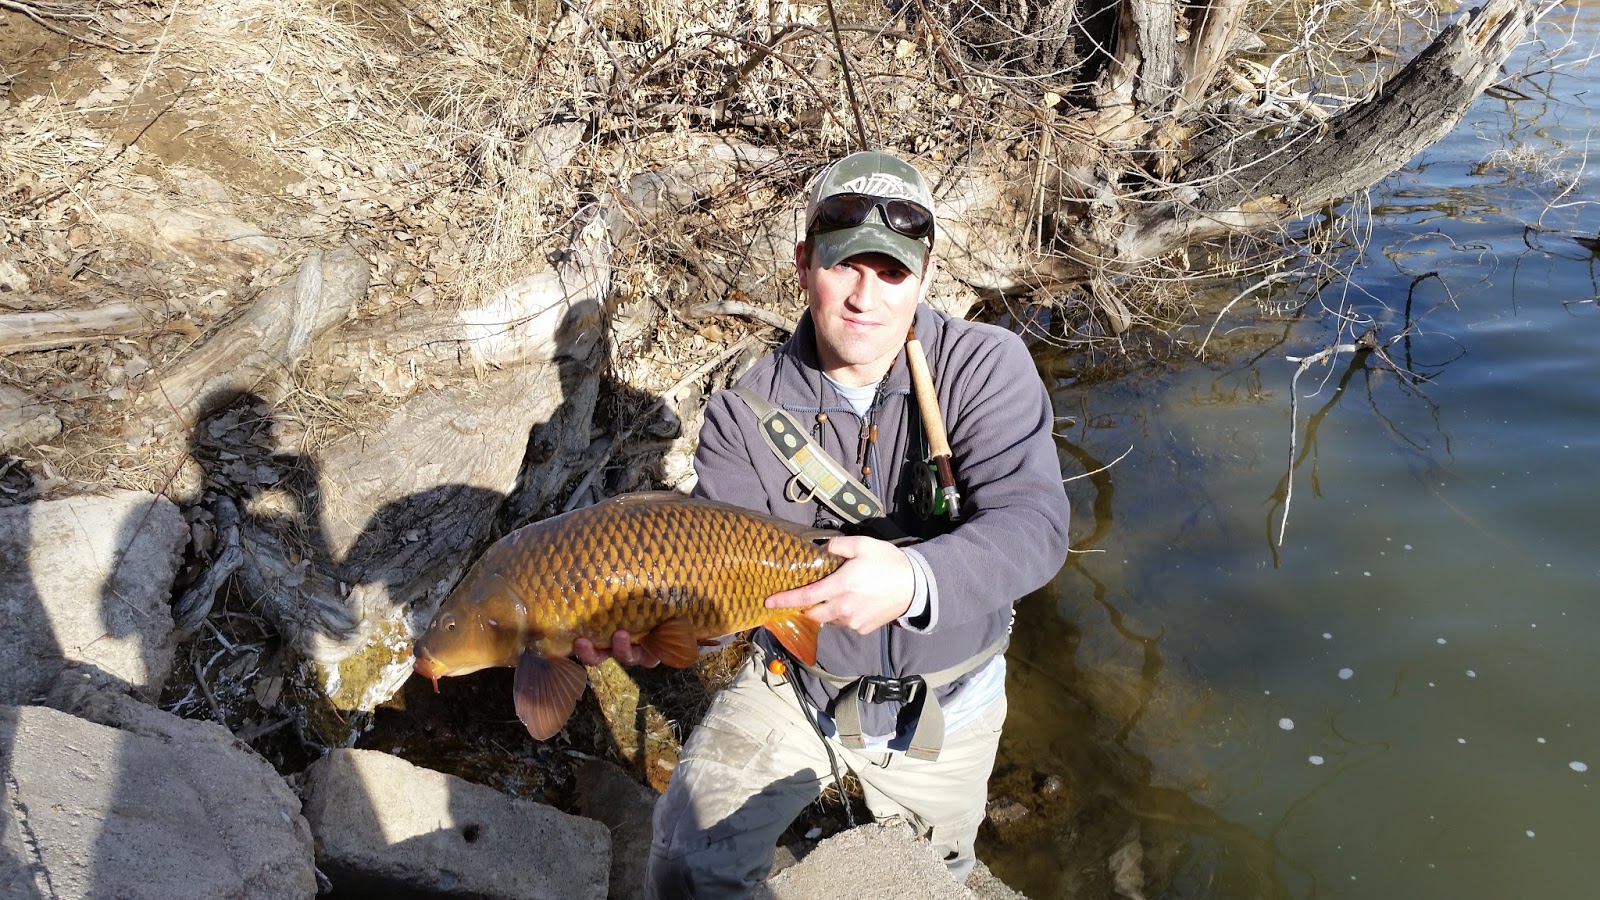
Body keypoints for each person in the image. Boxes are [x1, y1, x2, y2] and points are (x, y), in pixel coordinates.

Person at [575, 149, 1071, 897]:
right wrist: (668, 631)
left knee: (938, 882)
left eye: (893, 271)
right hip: (797, 684)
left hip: (950, 702)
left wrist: (913, 579)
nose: (866, 297)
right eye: (843, 266)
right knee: (683, 856)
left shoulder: (985, 366)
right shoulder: (744, 413)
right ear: (804, 263)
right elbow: (718, 591)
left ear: (927, 274)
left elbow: (1035, 527)